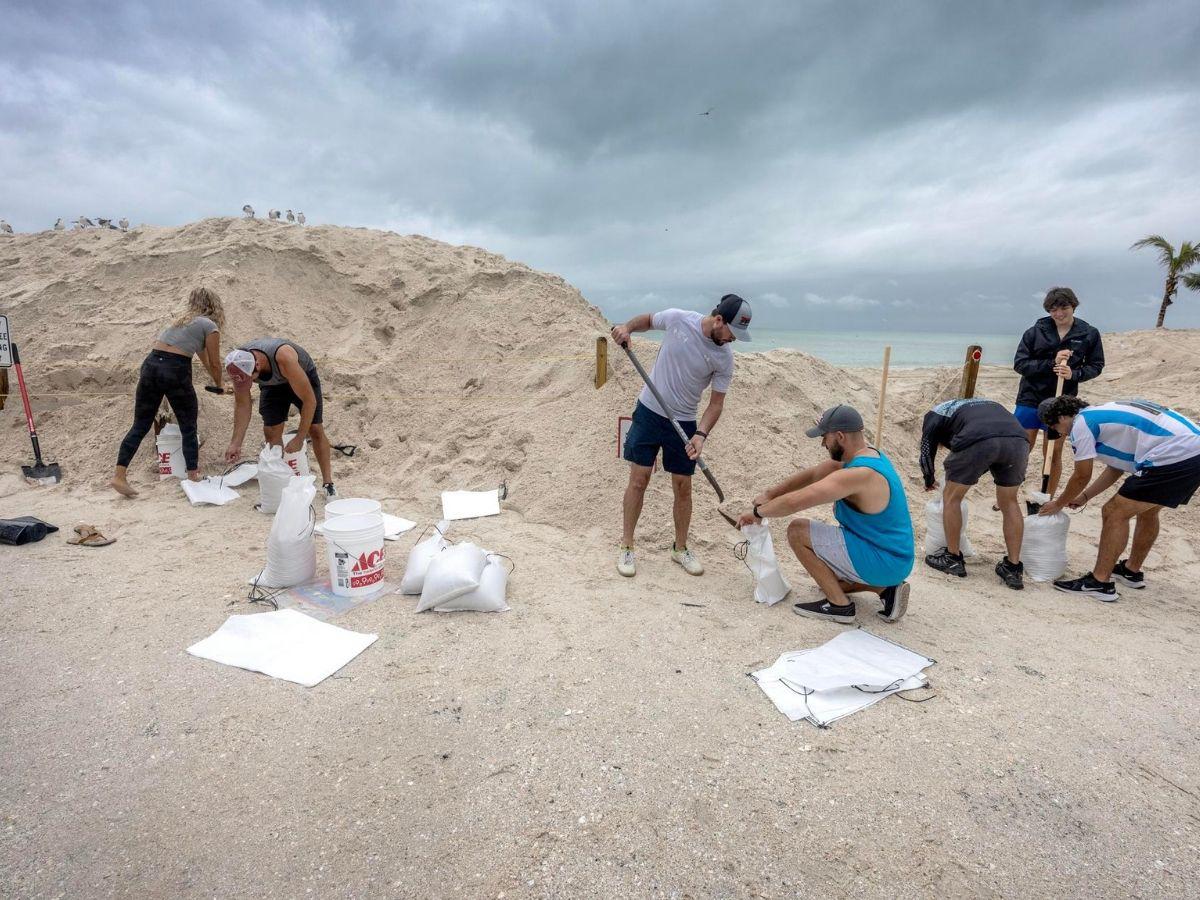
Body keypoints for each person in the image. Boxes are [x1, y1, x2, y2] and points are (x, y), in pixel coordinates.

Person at [611, 294, 751, 577]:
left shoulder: (724, 358)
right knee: (639, 480)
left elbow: (716, 404)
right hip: (650, 411)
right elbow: (648, 321)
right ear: (719, 319)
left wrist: (701, 435)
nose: (732, 340)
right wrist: (627, 328)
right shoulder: (678, 319)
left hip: (685, 423)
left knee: (683, 487)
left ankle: (680, 548)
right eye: (731, 333)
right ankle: (627, 545)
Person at [737, 404, 914, 624]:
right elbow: (814, 474)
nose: (822, 443)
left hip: (883, 559)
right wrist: (769, 494)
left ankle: (840, 607)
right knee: (827, 581)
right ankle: (886, 588)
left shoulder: (859, 474)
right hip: (894, 558)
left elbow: (796, 502)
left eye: (824, 437)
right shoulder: (869, 457)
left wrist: (757, 513)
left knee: (797, 530)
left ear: (839, 436)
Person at [1038, 396, 1200, 601]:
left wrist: (1058, 503)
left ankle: (1099, 582)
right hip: (1192, 448)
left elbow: (1081, 475)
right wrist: (1085, 496)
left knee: (1113, 512)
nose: (1060, 433)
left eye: (1055, 427)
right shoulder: (1102, 414)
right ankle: (1131, 571)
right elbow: (1115, 468)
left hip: (1175, 453)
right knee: (1148, 510)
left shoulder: (1081, 423)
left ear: (1061, 417)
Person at [110, 287, 225, 497]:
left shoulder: (181, 322)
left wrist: (216, 381)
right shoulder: (209, 325)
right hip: (175, 369)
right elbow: (215, 363)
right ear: (214, 307)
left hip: (151, 364)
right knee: (188, 425)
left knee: (140, 424)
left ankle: (119, 475)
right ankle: (192, 476)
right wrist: (220, 384)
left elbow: (204, 360)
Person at [919, 398, 1030, 588]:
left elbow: (926, 451)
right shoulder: (974, 408)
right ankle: (1013, 568)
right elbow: (992, 451)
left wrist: (928, 478)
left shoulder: (933, 416)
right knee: (1010, 502)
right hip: (1018, 440)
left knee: (951, 498)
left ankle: (953, 558)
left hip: (979, 438)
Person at [1012, 287, 1104, 498]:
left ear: (1073, 306)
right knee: (1021, 448)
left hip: (1062, 402)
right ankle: (1010, 491)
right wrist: (1051, 363)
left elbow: (1096, 365)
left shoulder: (1088, 333)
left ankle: (1047, 496)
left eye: (1064, 307)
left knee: (1052, 452)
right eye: (1054, 309)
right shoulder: (1035, 332)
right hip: (1030, 397)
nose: (1059, 313)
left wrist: (1074, 373)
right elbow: (1020, 364)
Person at [223, 338, 337, 498]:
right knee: (271, 431)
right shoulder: (238, 366)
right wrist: (235, 443)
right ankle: (280, 483)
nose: (249, 384)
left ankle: (328, 484)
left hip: (300, 375)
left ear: (257, 365)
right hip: (272, 385)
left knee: (315, 428)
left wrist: (300, 437)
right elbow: (242, 405)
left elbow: (309, 401)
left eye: (251, 379)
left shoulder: (283, 357)